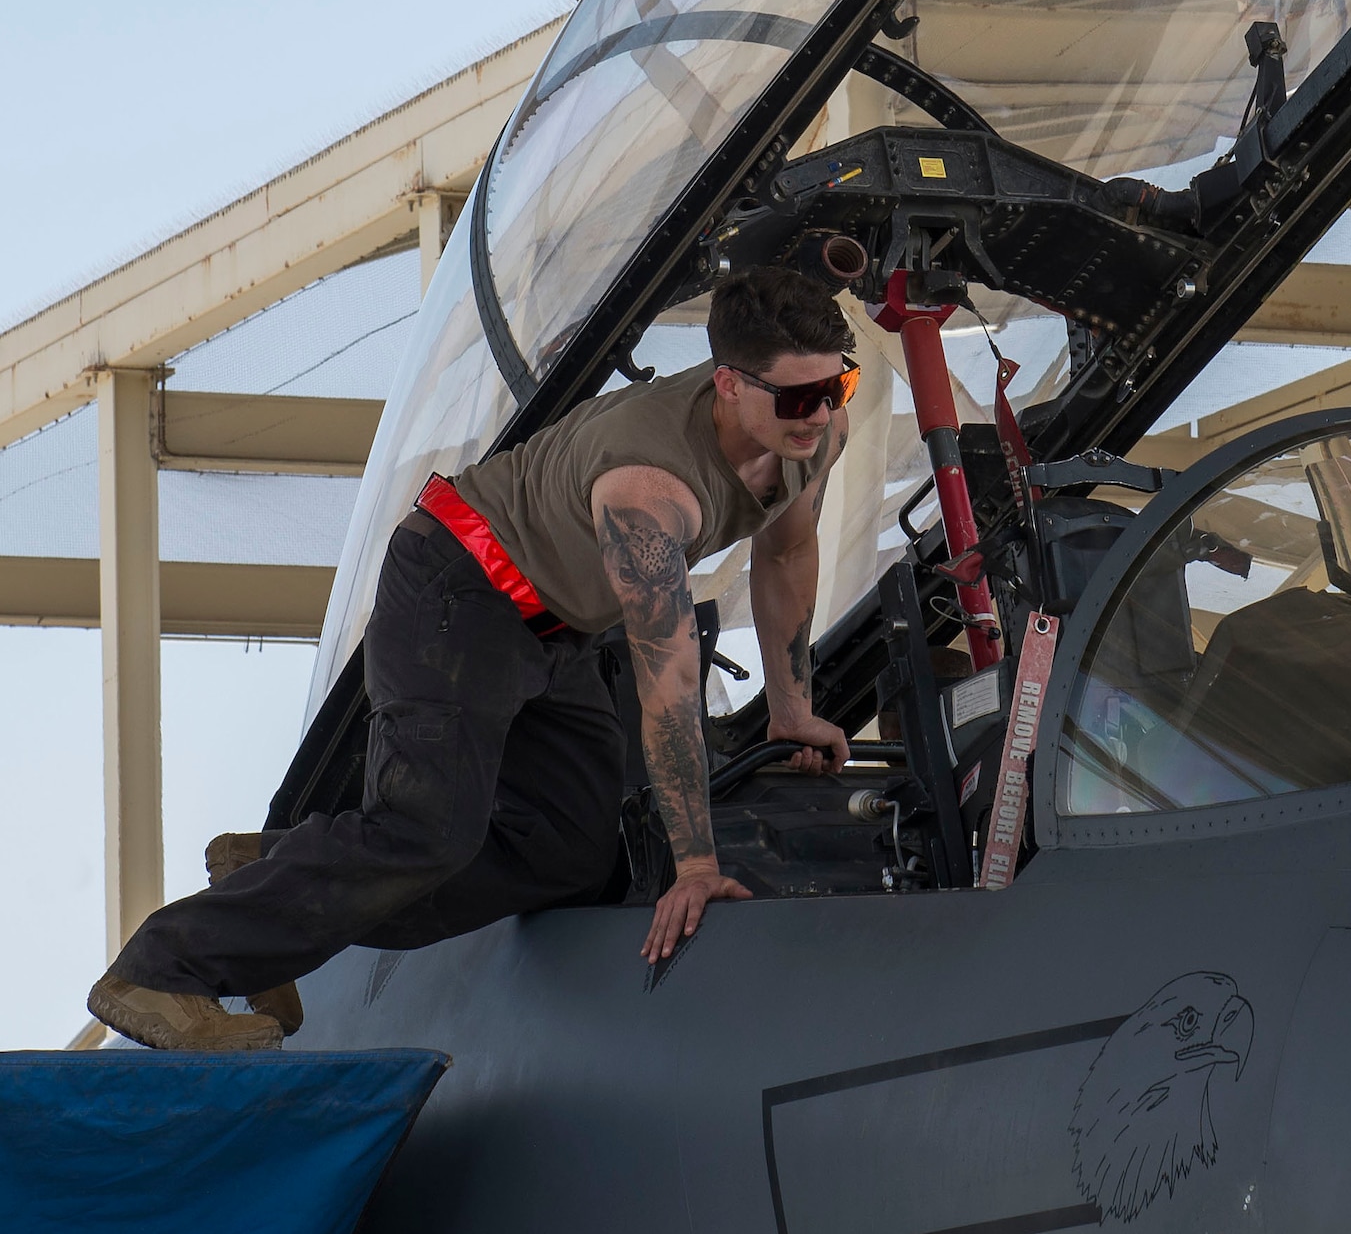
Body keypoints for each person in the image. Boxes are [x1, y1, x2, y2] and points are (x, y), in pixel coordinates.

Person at [87, 267, 857, 1050]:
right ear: (728, 385)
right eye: (799, 399)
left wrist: (792, 706)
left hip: (560, 626)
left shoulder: (816, 433)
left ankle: (282, 872)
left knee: (569, 850)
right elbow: (667, 683)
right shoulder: (649, 491)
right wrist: (697, 866)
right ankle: (163, 966)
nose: (821, 413)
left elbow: (786, 554)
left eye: (839, 386)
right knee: (426, 830)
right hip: (460, 592)